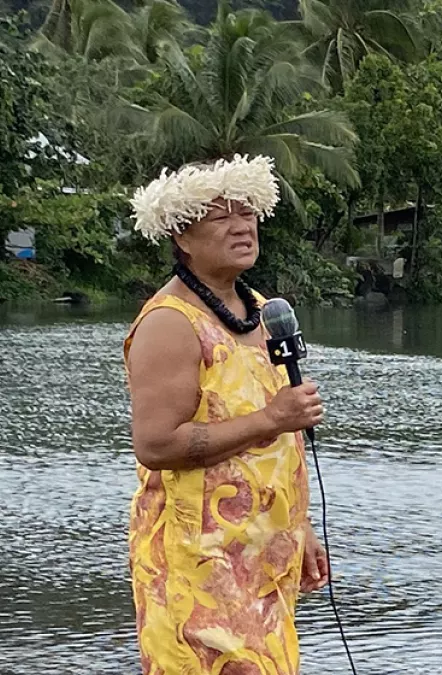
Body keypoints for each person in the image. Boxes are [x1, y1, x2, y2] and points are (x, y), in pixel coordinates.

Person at [123, 155, 330, 675]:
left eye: (248, 212)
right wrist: (271, 419)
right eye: (221, 217)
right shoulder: (170, 323)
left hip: (263, 563)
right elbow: (156, 445)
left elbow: (284, 438)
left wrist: (299, 526)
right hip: (196, 566)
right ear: (182, 235)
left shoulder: (261, 309)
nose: (242, 225)